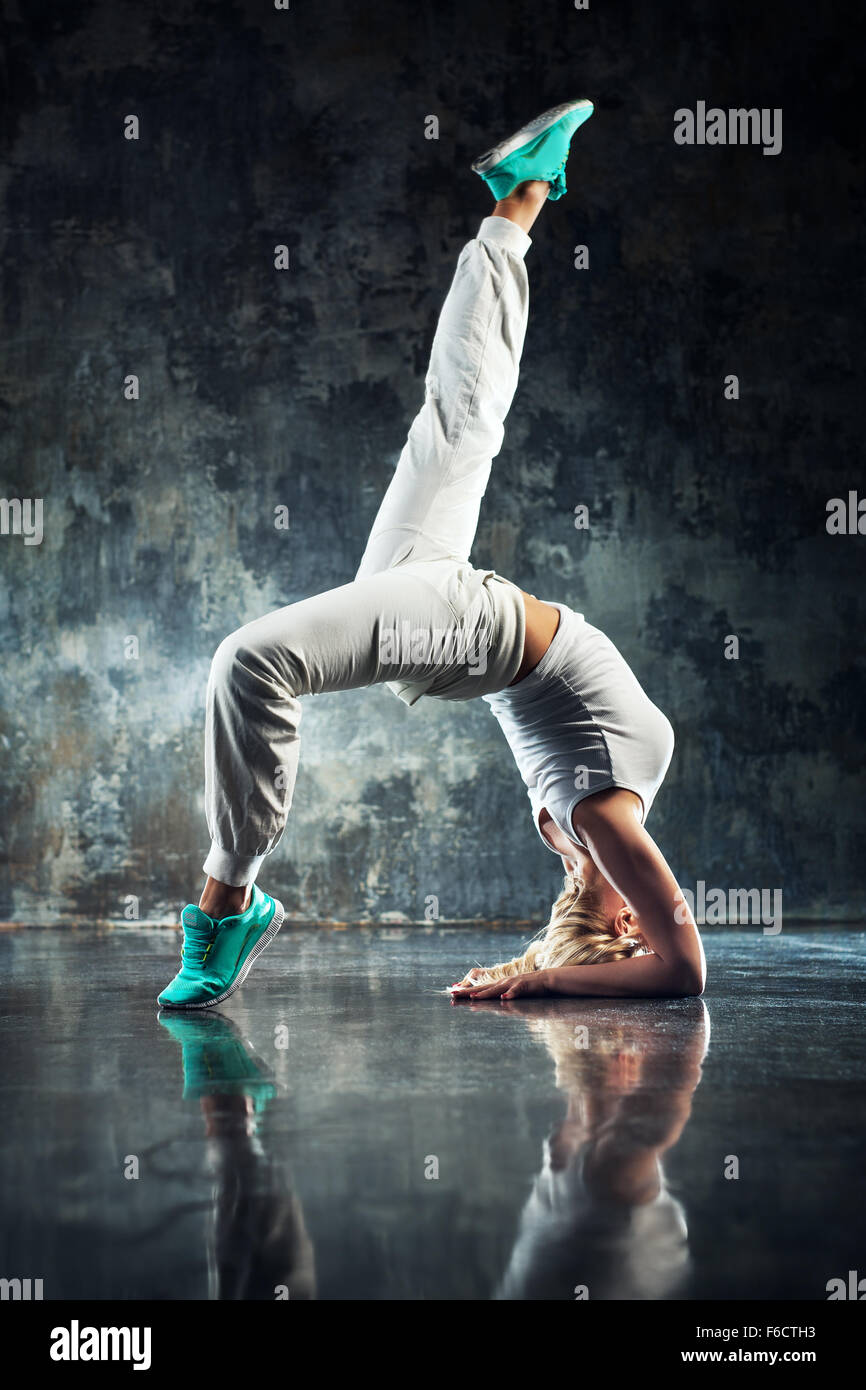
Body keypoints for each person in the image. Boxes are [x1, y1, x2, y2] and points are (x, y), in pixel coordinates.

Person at [157, 98, 705, 1010]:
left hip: (470, 633)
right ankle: (231, 901)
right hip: (478, 629)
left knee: (457, 422)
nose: (650, 911)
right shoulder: (611, 820)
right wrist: (550, 986)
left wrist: (542, 970)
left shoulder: (591, 841)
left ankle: (521, 200)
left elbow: (655, 952)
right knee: (252, 663)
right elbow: (685, 974)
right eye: (639, 917)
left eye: (628, 921)